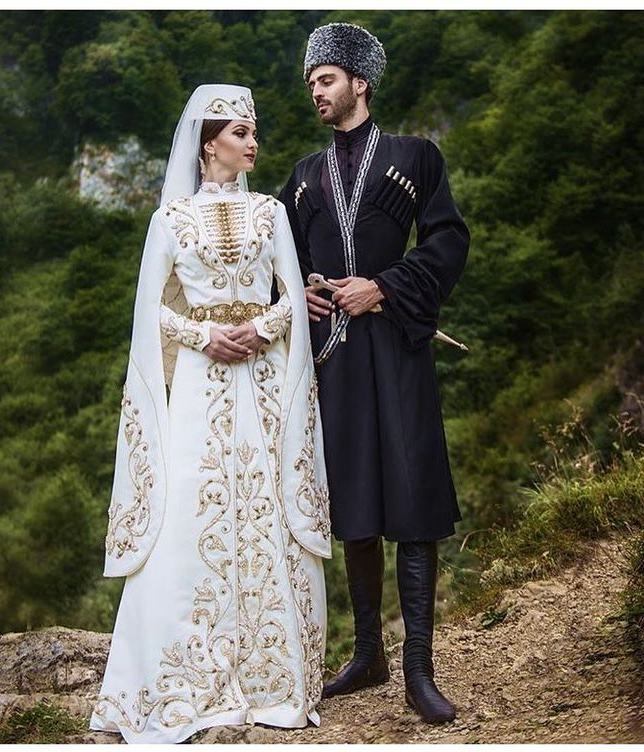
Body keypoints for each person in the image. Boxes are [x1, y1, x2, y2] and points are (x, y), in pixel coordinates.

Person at [89, 84, 332, 744]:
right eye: (241, 132)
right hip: (199, 384)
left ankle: (273, 683)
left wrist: (262, 328)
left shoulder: (271, 212)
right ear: (208, 144)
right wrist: (202, 336)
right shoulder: (171, 220)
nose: (253, 143)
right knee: (194, 511)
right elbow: (151, 314)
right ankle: (188, 681)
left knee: (263, 507)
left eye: (254, 132)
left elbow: (291, 293)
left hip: (260, 382)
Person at [278, 24, 470, 725]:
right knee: (353, 498)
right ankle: (368, 656)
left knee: (412, 496)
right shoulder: (300, 177)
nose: (316, 93)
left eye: (325, 79)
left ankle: (419, 670)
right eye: (310, 83)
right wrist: (300, 289)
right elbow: (283, 264)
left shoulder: (415, 156)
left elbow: (448, 239)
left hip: (398, 345)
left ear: (359, 80)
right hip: (334, 355)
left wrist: (384, 286)